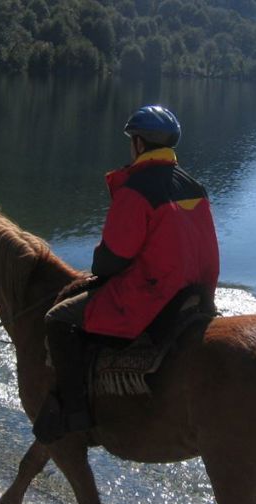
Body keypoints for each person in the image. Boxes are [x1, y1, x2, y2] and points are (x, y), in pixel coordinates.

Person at [32, 105, 220, 444]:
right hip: (195, 293)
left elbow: (114, 258)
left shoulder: (136, 190)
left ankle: (76, 414)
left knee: (57, 319)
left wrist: (100, 265)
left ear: (138, 143)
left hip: (153, 296)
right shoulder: (194, 187)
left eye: (131, 141)